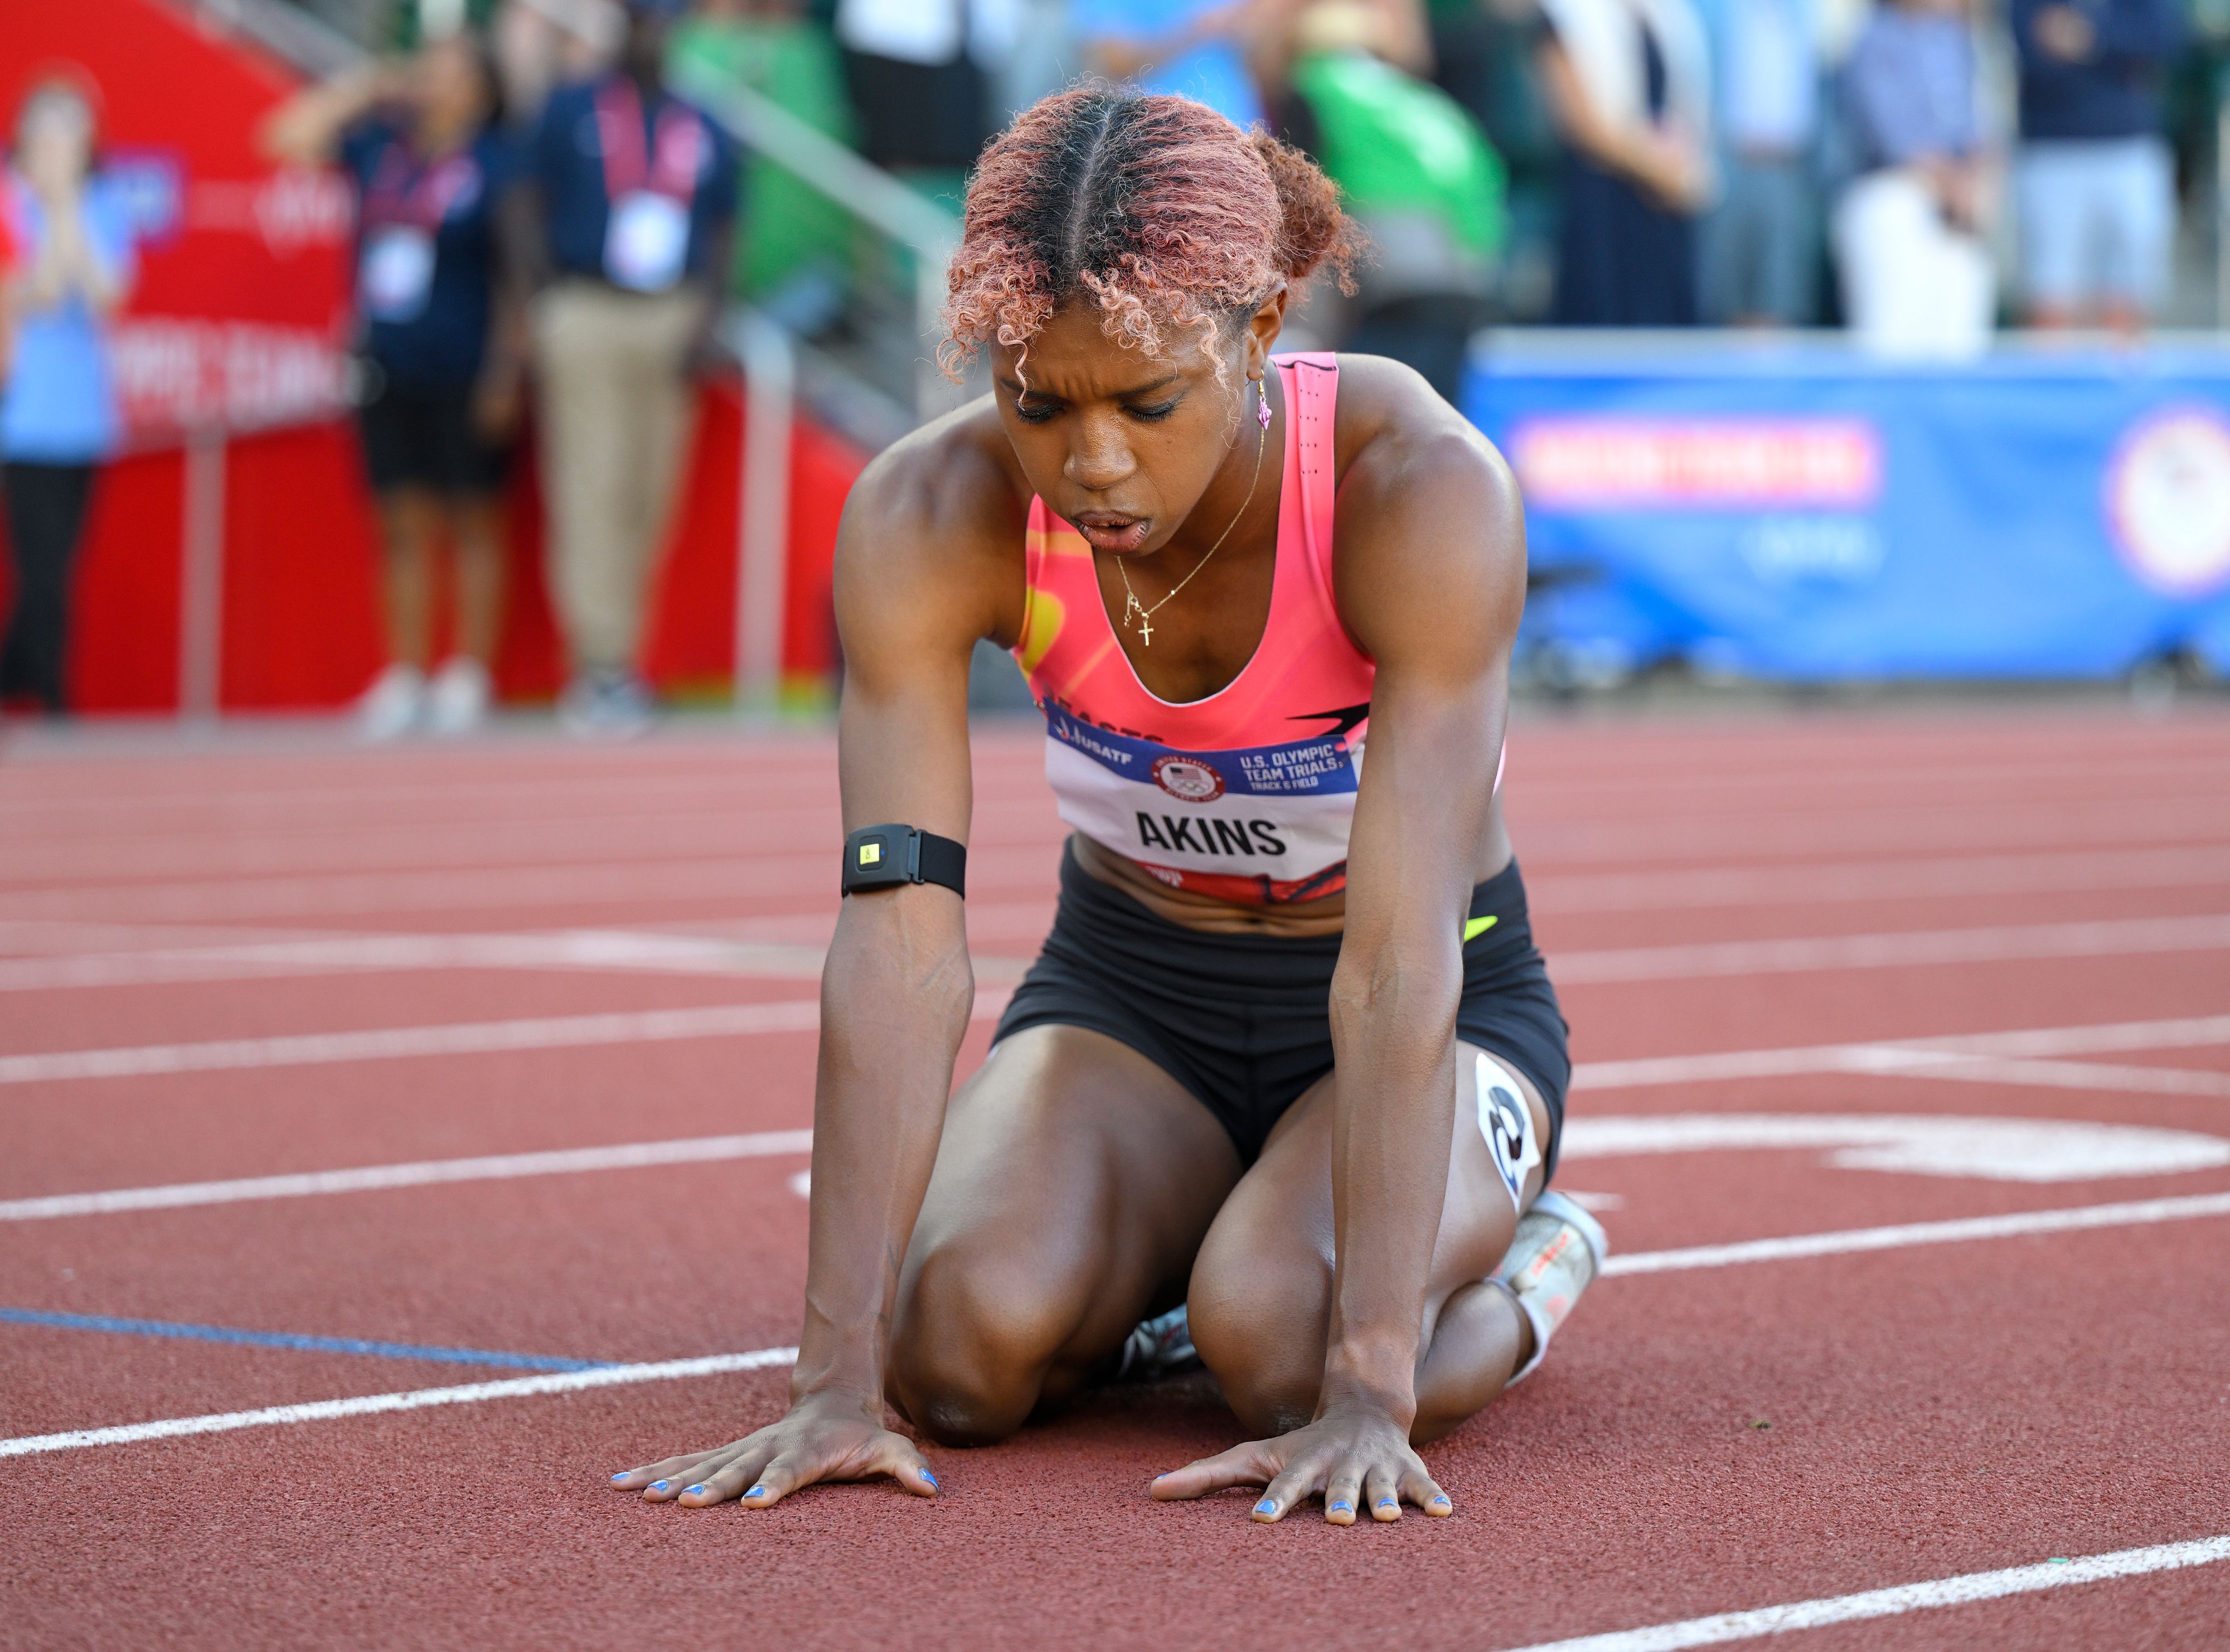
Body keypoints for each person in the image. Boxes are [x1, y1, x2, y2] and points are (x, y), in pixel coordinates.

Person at [609, 89, 1602, 1521]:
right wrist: (835, 1379)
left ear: (1258, 335)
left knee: (1277, 1350)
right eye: (1036, 403)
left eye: (1147, 403)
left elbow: (1396, 965)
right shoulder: (927, 513)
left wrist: (1372, 1384)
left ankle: (1535, 1262)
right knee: (953, 1358)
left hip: (1414, 988)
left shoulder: (1416, 491)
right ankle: (1162, 1247)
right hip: (1129, 989)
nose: (1091, 465)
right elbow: (897, 941)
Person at [264, 32, 522, 740]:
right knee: (399, 521)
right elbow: (282, 137)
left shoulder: (497, 162)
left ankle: (468, 674)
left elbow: (516, 276)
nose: (438, 81)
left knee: (474, 519)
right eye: (432, 68)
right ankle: (407, 673)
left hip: (465, 363)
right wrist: (371, 84)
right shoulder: (383, 148)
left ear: (483, 88)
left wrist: (506, 370)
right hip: (386, 361)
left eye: (455, 70)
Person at [513, 0, 739, 736]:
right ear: (622, 27)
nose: (651, 33)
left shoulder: (700, 120)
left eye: (664, 21)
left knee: (650, 496)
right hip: (587, 306)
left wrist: (704, 317)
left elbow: (726, 222)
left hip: (668, 316)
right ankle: (599, 665)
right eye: (640, 19)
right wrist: (539, 298)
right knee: (591, 484)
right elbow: (519, 200)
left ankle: (620, 661)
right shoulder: (571, 106)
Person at [1271, 0, 1506, 401]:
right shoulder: (1421, 100)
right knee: (1437, 418)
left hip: (1391, 278)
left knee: (1380, 418)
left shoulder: (1315, 88)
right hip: (1469, 274)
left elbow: (1300, 203)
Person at [0, 76, 136, 718]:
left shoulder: (103, 204)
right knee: (44, 572)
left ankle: (16, 679)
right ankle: (55, 700)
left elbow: (107, 295)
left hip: (84, 415)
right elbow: (41, 291)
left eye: (73, 128)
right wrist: (46, 204)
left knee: (59, 569)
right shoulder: (5, 201)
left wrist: (65, 207)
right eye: (48, 126)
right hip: (22, 416)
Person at [1534, 0, 1714, 325]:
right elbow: (1586, 127)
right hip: (1604, 209)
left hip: (1665, 212)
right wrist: (1662, 173)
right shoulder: (1567, 14)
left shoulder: (1669, 16)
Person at [2010, 0, 2185, 330]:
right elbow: (2033, 53)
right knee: (2050, 300)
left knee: (2129, 298)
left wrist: (2093, 37)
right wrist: (2113, 54)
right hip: (2051, 153)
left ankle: (2127, 383)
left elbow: (2165, 41)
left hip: (2130, 151)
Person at [1834, 0, 1993, 357]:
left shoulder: (1958, 40)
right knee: (1893, 341)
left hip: (1960, 212)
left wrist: (1975, 186)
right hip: (1892, 197)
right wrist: (1952, 184)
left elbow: (1980, 130)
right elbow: (1893, 138)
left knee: (1960, 343)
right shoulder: (1872, 41)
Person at [1696, 0, 1821, 325]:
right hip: (1724, 164)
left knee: (1782, 298)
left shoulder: (1808, 13)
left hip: (1791, 167)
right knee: (1723, 297)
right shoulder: (1709, 9)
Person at [1077, 0, 1278, 128]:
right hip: (1157, 135)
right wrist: (1194, 32)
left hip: (1238, 124)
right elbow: (1115, 63)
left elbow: (1265, 59)